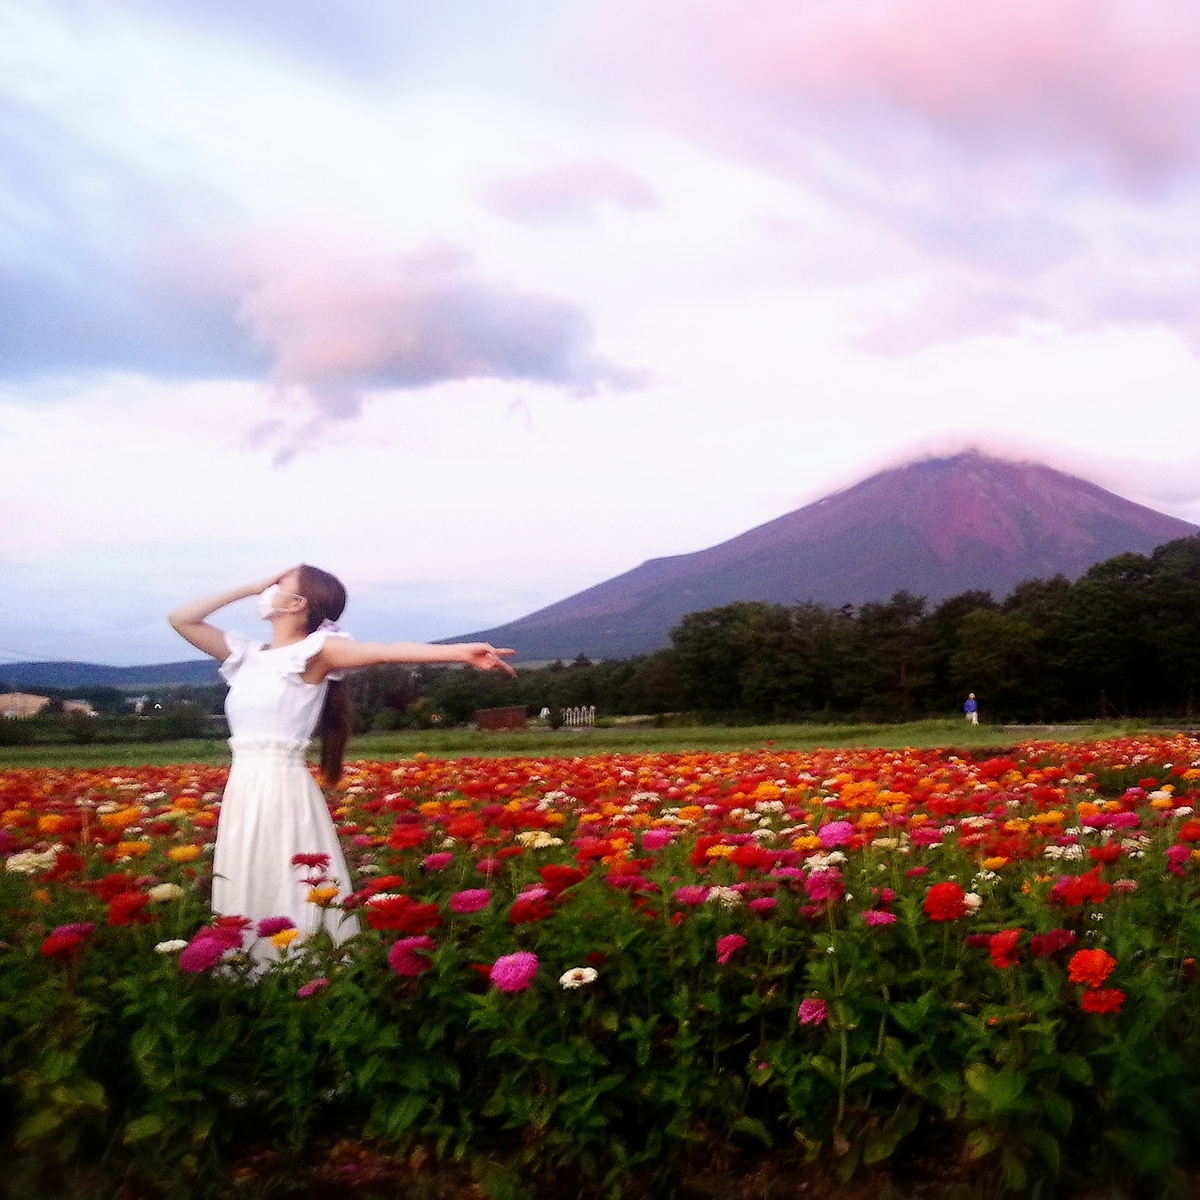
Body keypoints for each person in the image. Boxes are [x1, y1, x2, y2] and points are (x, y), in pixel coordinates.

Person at [168, 565, 515, 959]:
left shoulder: (316, 651)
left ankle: (302, 963)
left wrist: (459, 652)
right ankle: (248, 962)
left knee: (288, 873)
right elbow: (182, 618)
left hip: (283, 785)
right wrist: (249, 586)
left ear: (297, 603)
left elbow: (387, 653)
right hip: (244, 784)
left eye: (277, 584)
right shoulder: (246, 655)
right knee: (250, 868)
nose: (267, 588)